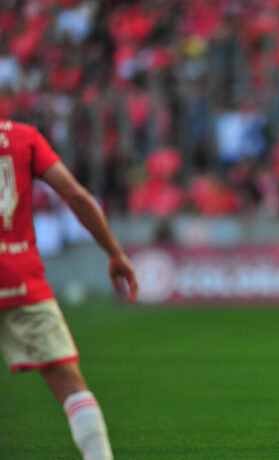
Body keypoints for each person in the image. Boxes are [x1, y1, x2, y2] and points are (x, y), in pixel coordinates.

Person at [0, 119, 138, 460]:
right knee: (71, 386)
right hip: (18, 276)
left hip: (22, 278)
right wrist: (115, 253)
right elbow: (76, 195)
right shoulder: (23, 137)